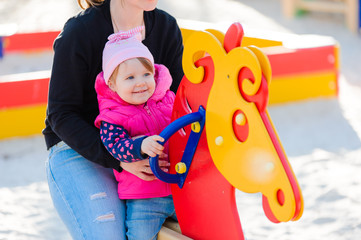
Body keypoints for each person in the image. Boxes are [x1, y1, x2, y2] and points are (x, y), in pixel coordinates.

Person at [43, 0, 184, 239]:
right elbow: (61, 114)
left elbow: (179, 101)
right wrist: (119, 158)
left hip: (149, 149)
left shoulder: (165, 27)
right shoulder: (80, 32)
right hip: (81, 148)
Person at [94, 27, 176, 239]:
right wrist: (140, 146)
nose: (140, 82)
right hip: (145, 198)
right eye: (129, 77)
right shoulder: (112, 116)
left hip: (182, 188)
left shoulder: (169, 100)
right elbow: (114, 146)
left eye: (146, 74)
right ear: (112, 84)